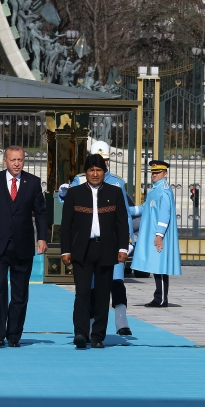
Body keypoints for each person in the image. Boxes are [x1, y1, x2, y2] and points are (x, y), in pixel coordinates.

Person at [58, 141, 135, 336]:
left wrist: (126, 244)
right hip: (83, 247)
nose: (96, 172)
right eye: (91, 169)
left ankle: (117, 322)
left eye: (103, 164)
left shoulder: (117, 185)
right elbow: (67, 215)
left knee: (110, 287)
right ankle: (83, 331)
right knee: (84, 291)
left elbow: (124, 217)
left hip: (109, 246)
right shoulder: (78, 183)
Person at [0, 145, 48, 348]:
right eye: (13, 160)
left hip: (23, 246)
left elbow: (41, 213)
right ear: (5, 161)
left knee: (20, 293)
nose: (17, 163)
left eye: (20, 160)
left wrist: (42, 238)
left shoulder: (32, 183)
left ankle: (14, 335)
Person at [131, 160, 182, 307]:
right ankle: (159, 297)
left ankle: (161, 298)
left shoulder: (164, 191)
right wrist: (126, 209)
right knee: (157, 266)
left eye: (157, 173)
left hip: (158, 234)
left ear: (165, 174)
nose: (154, 175)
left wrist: (159, 235)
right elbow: (145, 208)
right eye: (153, 173)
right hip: (153, 233)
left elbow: (165, 214)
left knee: (160, 267)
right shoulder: (154, 190)